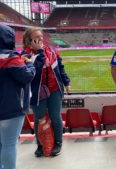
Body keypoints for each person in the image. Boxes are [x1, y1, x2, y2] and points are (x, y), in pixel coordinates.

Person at [22, 28, 71, 157]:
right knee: (40, 118)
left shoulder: (52, 51)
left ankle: (58, 143)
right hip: (37, 91)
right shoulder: (26, 54)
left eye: (41, 36)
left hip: (54, 88)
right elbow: (35, 70)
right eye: (36, 37)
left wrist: (66, 82)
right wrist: (38, 51)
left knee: (55, 116)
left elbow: (60, 68)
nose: (40, 39)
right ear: (29, 39)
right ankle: (40, 145)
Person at [0, 24, 36, 169]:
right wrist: (29, 64)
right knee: (9, 144)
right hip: (11, 108)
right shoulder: (10, 57)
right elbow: (26, 76)